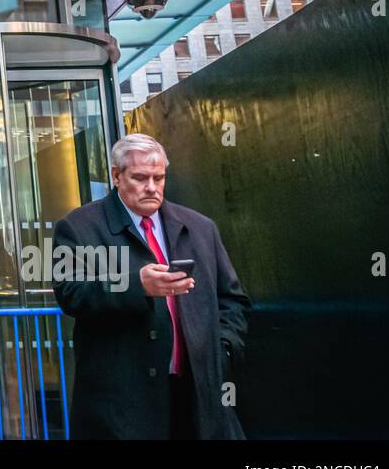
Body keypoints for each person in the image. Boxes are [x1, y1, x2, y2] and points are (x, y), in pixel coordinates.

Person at [52, 133, 250, 439]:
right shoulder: (78, 227)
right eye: (140, 177)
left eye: (159, 178)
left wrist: (222, 350)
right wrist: (137, 286)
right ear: (116, 176)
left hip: (199, 395)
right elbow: (71, 293)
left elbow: (232, 299)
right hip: (124, 403)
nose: (152, 187)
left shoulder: (200, 227)